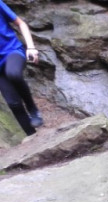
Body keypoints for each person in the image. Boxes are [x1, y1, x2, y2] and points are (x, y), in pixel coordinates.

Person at [0, 0, 42, 136]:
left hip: (12, 51)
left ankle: (33, 109)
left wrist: (31, 47)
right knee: (13, 103)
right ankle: (32, 138)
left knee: (13, 73)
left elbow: (21, 23)